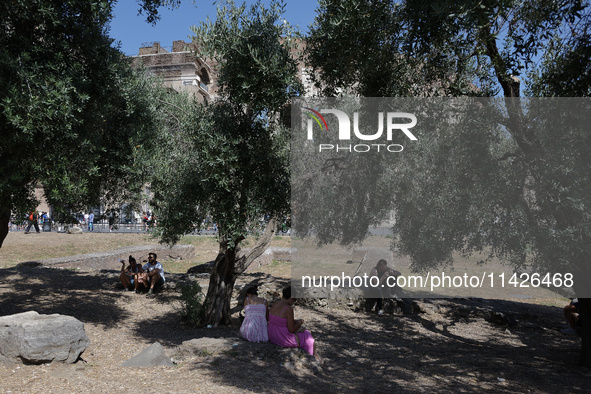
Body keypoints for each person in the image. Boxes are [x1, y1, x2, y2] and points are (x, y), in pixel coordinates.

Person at [268, 287, 320, 361]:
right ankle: (314, 357)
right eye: (294, 300)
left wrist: (294, 321)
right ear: (291, 298)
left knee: (305, 332)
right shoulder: (288, 309)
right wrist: (300, 322)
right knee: (308, 336)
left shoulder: (275, 303)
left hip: (272, 334)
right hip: (281, 337)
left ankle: (315, 355)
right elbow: (291, 329)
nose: (293, 302)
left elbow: (279, 319)